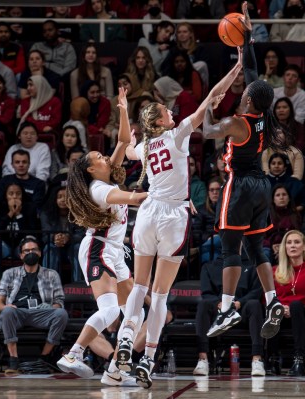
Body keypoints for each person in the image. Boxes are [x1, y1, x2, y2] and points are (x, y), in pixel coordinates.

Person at [115, 49, 244, 389]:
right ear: (159, 122)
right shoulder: (177, 135)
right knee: (159, 296)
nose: (172, 111)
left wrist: (122, 109)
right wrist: (238, 66)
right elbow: (212, 96)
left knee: (139, 285)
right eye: (165, 111)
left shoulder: (144, 147)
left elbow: (126, 145)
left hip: (146, 213)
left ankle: (127, 336)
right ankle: (147, 360)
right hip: (173, 214)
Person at [199, 3, 287, 343]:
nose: (243, 90)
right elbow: (250, 70)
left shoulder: (237, 123)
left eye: (245, 92)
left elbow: (206, 131)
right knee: (256, 249)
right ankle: (272, 300)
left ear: (249, 101)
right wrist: (246, 37)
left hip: (238, 185)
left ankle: (225, 308)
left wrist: (209, 102)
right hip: (261, 186)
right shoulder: (263, 115)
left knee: (229, 249)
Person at [57, 88, 148, 386]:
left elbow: (123, 140)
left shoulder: (107, 175)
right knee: (110, 311)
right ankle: (74, 354)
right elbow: (134, 199)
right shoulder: (99, 189)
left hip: (114, 251)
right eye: (99, 157)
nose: (106, 158)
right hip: (98, 250)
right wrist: (170, 195)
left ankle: (114, 371)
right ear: (91, 169)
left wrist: (122, 108)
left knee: (136, 311)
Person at [0, 235, 69, 375]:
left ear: (40, 253)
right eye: (27, 251)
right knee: (6, 312)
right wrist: (5, 307)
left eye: (34, 250)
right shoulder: (9, 274)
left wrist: (50, 308)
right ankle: (13, 360)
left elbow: (59, 302)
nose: (30, 253)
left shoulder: (52, 274)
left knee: (62, 314)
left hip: (41, 313)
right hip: (18, 313)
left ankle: (43, 358)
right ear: (21, 255)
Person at [193, 252, 265, 377]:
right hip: (219, 311)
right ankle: (203, 359)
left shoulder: (253, 266)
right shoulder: (209, 266)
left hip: (242, 308)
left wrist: (239, 303)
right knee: (204, 304)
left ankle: (257, 359)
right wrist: (218, 303)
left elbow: (256, 291)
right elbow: (206, 292)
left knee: (254, 304)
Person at [268, 230, 305, 376]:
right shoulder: (275, 271)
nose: (293, 246)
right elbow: (268, 298)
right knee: (273, 310)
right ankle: (273, 360)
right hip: (279, 315)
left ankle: (298, 360)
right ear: (284, 248)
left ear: (304, 247)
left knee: (295, 305)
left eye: (297, 242)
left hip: (304, 315)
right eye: (289, 243)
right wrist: (280, 308)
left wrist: (299, 307)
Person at [0, 183, 39, 286]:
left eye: (18, 194)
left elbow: (32, 232)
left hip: (21, 247)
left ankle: (32, 284)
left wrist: (18, 215)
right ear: (5, 195)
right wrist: (10, 214)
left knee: (31, 241)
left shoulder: (29, 208)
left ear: (22, 195)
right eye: (11, 194)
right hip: (4, 247)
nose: (14, 197)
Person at [39, 185, 84, 279]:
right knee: (49, 247)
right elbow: (44, 236)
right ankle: (48, 283)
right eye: (59, 197)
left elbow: (81, 234)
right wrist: (54, 238)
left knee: (78, 247)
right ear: (54, 199)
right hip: (55, 245)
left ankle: (77, 283)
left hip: (72, 246)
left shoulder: (78, 213)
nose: (63, 200)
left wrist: (68, 238)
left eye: (66, 197)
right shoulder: (46, 214)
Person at [263, 184, 302, 264]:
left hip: (290, 245)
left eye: (284, 194)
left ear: (289, 198)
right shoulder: (266, 215)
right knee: (264, 253)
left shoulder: (295, 215)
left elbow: (299, 235)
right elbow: (262, 237)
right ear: (273, 199)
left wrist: (284, 246)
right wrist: (272, 246)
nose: (281, 197)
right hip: (270, 247)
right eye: (278, 195)